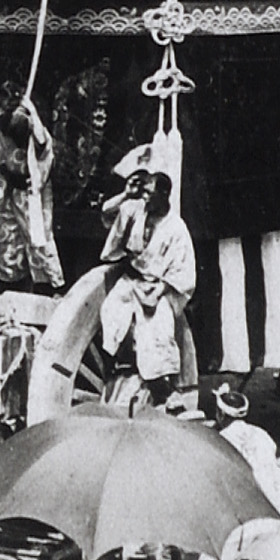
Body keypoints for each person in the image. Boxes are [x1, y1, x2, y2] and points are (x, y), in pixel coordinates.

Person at [96, 157, 194, 406]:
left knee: (156, 332)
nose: (145, 198)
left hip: (158, 288)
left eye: (150, 194)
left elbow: (182, 272)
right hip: (131, 280)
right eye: (144, 193)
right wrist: (126, 194)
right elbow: (106, 213)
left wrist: (158, 291)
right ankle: (117, 365)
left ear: (164, 195)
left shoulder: (176, 228)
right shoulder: (135, 210)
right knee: (111, 311)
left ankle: (163, 390)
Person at [0, 94, 60, 289]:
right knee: (5, 238)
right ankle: (12, 285)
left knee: (39, 240)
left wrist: (31, 113)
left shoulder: (34, 127)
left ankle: (47, 288)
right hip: (9, 191)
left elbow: (43, 148)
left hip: (34, 192)